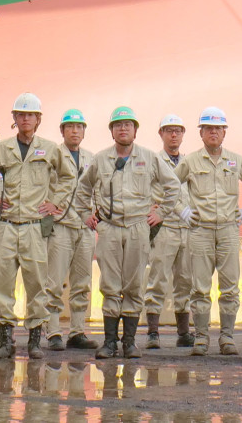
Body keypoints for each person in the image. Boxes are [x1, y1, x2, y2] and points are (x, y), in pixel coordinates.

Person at [75, 105, 188, 358]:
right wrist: (85, 215)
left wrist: (160, 214)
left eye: (128, 125)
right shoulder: (101, 159)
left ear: (135, 130)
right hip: (110, 229)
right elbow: (82, 189)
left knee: (134, 284)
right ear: (112, 131)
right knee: (110, 285)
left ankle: (129, 342)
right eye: (118, 125)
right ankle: (109, 342)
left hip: (138, 228)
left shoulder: (149, 157)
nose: (123, 128)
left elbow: (173, 187)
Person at [0, 93, 72, 360]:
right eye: (20, 115)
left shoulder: (50, 148)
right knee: (2, 285)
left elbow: (68, 176)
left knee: (36, 285)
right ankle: (5, 339)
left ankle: (35, 340)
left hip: (34, 227)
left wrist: (54, 202)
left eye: (30, 115)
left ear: (38, 119)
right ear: (14, 119)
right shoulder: (3, 149)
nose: (25, 119)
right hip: (8, 226)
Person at [176, 105, 242, 357]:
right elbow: (168, 186)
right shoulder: (190, 161)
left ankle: (227, 337)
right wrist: (181, 210)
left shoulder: (236, 161)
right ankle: (201, 338)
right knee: (200, 287)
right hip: (200, 230)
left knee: (229, 287)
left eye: (218, 129)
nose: (213, 133)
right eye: (208, 128)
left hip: (227, 230)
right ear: (200, 133)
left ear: (225, 132)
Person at [46, 108, 97, 350]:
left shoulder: (91, 158)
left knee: (82, 282)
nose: (75, 131)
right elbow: (43, 183)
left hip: (85, 227)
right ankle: (53, 331)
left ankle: (77, 331)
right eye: (70, 127)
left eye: (79, 127)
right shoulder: (53, 155)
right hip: (61, 226)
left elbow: (97, 189)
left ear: (84, 131)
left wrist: (96, 213)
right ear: (62, 131)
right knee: (54, 281)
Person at [145, 114, 195, 351]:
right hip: (164, 227)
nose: (173, 135)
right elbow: (149, 190)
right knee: (158, 278)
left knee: (185, 280)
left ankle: (183, 332)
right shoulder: (154, 161)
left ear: (183, 134)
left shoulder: (189, 162)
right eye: (169, 130)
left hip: (187, 227)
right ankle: (153, 332)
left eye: (178, 130)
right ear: (161, 134)